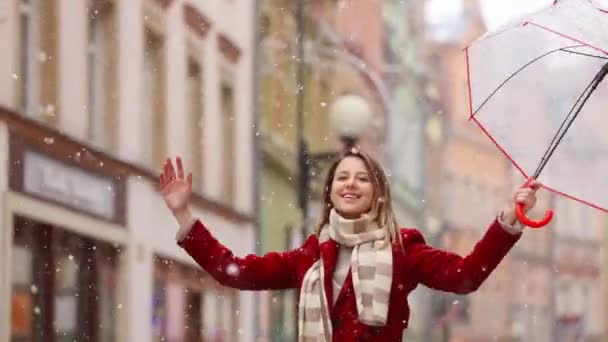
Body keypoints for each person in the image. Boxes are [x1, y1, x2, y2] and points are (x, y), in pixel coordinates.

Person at [159, 150, 541, 342]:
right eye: (342, 177)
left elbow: (466, 276)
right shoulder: (311, 255)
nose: (350, 183)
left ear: (377, 193)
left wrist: (508, 220)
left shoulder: (402, 249)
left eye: (362, 178)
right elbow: (238, 273)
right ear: (331, 194)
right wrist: (184, 216)